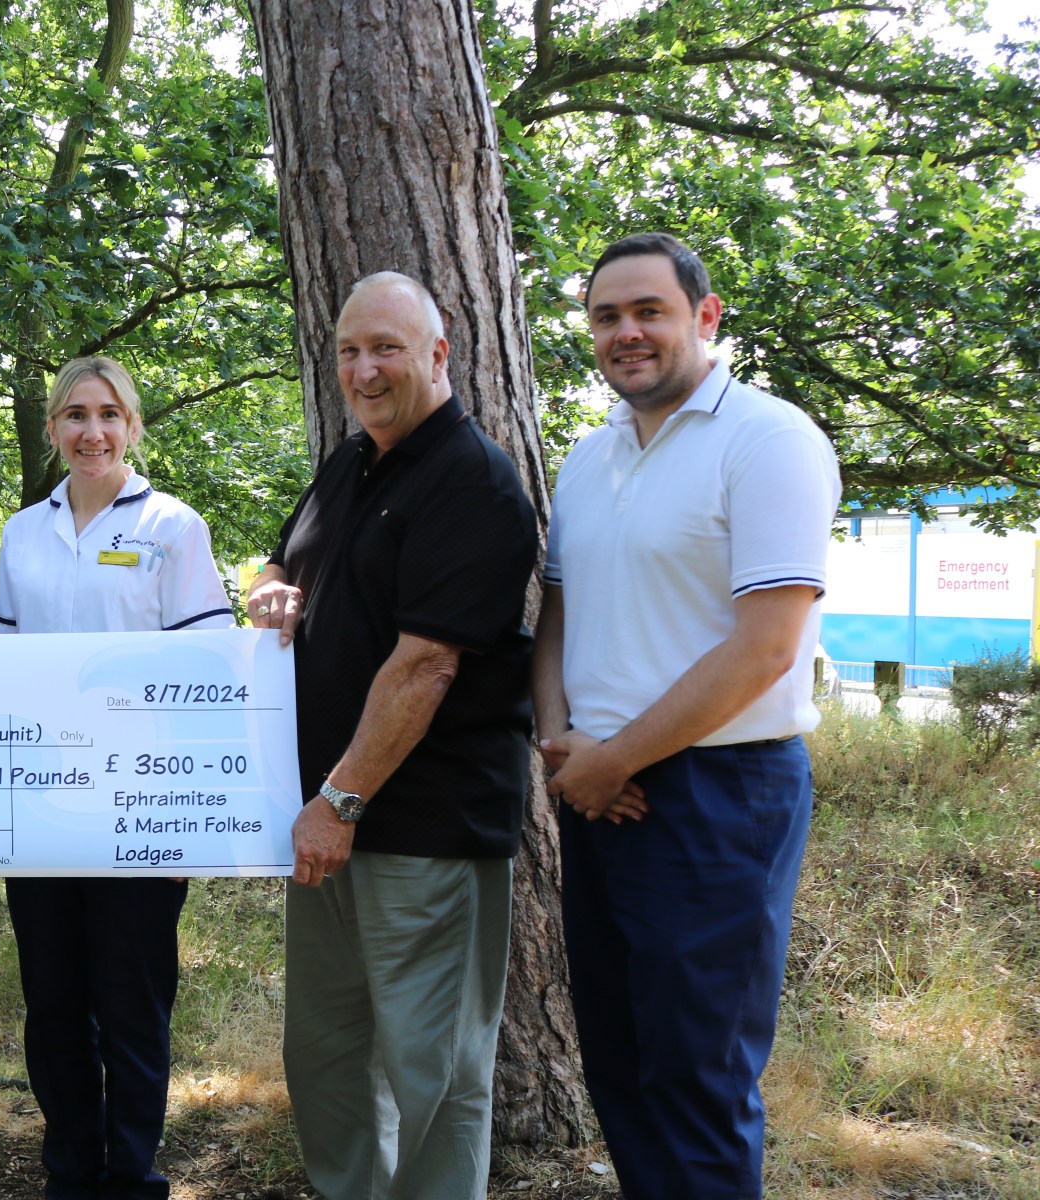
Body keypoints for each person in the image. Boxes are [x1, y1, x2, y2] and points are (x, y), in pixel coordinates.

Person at [534, 233, 841, 1198]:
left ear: (705, 317)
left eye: (648, 311)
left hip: (720, 798)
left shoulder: (771, 440)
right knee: (620, 1067)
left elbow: (766, 647)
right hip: (594, 785)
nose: (626, 333)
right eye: (606, 316)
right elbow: (555, 622)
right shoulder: (588, 459)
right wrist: (564, 750)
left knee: (699, 1077)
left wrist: (615, 757)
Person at [247, 273, 538, 1199]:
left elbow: (428, 667)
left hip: (420, 831)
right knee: (326, 1057)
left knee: (435, 1074)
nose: (365, 370)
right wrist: (267, 589)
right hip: (326, 830)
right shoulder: (352, 461)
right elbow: (283, 557)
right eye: (348, 351)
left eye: (388, 349)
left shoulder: (474, 482)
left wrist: (338, 799)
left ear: (440, 354)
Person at [0, 356, 233, 1199]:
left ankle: (132, 1178)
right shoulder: (24, 532)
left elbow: (210, 671)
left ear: (132, 425)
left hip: (142, 807)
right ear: (55, 428)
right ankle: (71, 1174)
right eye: (74, 415)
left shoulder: (173, 526)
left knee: (132, 1011)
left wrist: (192, 819)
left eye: (108, 414)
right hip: (43, 812)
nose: (91, 430)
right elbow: (6, 672)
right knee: (54, 1006)